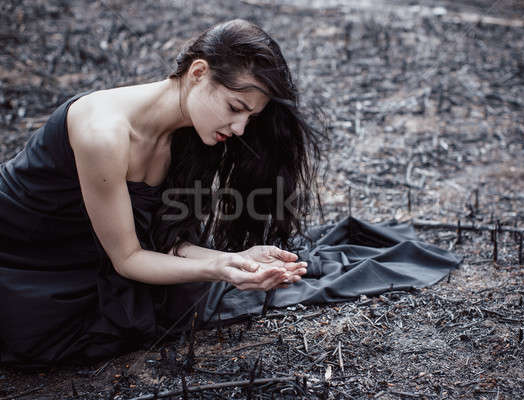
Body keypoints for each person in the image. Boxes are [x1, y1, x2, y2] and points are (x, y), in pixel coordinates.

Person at [0, 18, 324, 368]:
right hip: (24, 262)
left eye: (250, 118)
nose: (240, 128)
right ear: (198, 72)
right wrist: (219, 267)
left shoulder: (192, 133)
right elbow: (128, 258)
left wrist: (236, 259)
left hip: (94, 257)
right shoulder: (104, 134)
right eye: (235, 108)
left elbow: (161, 241)